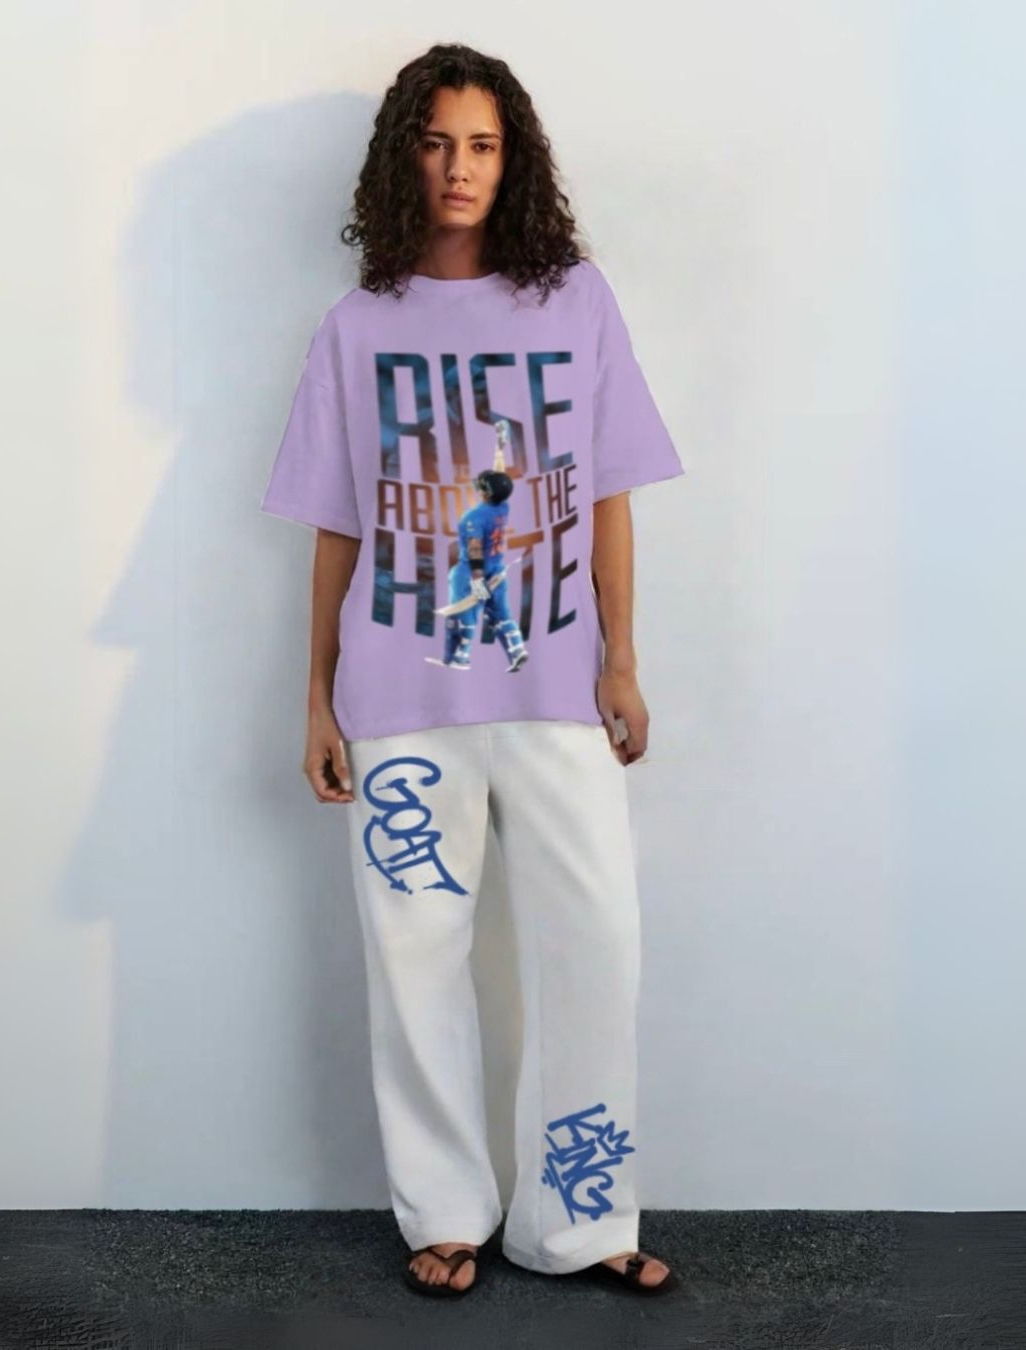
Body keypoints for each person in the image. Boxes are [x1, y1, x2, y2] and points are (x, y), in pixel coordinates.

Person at [260, 42, 685, 1299]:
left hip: (556, 688)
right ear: (404, 159)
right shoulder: (357, 329)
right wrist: (316, 695)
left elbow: (608, 495)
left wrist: (621, 656)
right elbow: (337, 526)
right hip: (400, 698)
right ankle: (443, 1212)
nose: (460, 167)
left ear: (516, 161)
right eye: (438, 143)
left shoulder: (575, 304)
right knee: (415, 958)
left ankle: (579, 1221)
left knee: (595, 941)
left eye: (484, 145)